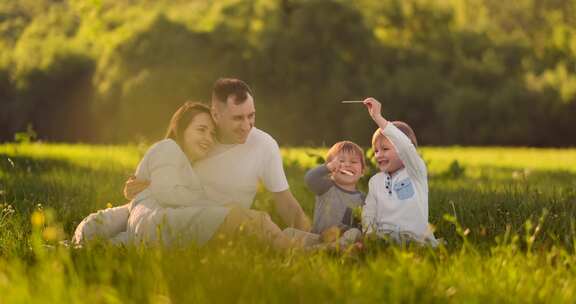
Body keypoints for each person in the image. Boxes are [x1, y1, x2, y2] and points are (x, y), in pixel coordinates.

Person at [74, 78, 311, 248]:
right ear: (216, 114)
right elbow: (164, 176)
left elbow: (288, 205)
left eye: (252, 116)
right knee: (100, 230)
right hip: (175, 216)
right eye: (238, 118)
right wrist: (142, 185)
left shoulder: (263, 145)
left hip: (215, 225)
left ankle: (313, 247)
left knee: (265, 227)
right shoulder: (196, 143)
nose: (247, 125)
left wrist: (306, 238)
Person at [361, 97, 437, 245]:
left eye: (385, 149)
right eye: (376, 151)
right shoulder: (375, 181)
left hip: (415, 239)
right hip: (385, 239)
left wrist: (377, 118)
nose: (379, 155)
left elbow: (404, 146)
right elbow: (369, 211)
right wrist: (369, 234)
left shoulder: (415, 171)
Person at [304, 141, 365, 242]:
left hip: (341, 241)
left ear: (362, 171)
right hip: (318, 238)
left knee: (355, 233)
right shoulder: (326, 187)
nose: (347, 165)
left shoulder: (362, 198)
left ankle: (333, 249)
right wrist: (328, 167)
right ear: (331, 168)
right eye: (341, 161)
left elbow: (363, 224)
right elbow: (309, 179)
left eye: (353, 162)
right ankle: (319, 249)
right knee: (288, 232)